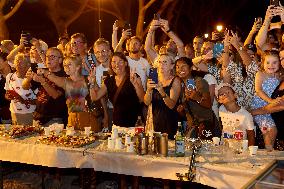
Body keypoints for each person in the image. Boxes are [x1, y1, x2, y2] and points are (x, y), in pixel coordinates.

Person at [38, 55, 102, 132]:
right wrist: (44, 71)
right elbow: (54, 78)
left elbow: (100, 97)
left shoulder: (88, 80)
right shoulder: (66, 81)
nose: (66, 67)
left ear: (78, 67)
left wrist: (92, 83)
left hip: (89, 118)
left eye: (69, 64)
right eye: (64, 65)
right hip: (72, 118)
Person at [90, 52, 145, 128]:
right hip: (117, 123)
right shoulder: (109, 80)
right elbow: (95, 97)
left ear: (125, 63)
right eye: (114, 62)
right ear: (111, 64)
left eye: (120, 61)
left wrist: (135, 85)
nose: (117, 65)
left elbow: (142, 99)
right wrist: (92, 83)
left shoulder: (134, 77)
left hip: (135, 122)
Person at [175, 57, 220, 139]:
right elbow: (188, 112)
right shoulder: (181, 86)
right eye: (177, 67)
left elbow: (209, 104)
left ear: (191, 68)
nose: (180, 69)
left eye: (183, 66)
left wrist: (197, 98)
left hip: (205, 126)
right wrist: (181, 110)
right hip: (193, 127)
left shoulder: (199, 82)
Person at [23, 47, 68, 127]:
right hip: (37, 117)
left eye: (53, 57)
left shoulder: (64, 75)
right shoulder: (42, 72)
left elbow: (56, 95)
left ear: (60, 60)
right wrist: (28, 79)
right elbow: (25, 87)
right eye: (47, 56)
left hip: (54, 120)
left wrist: (43, 82)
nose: (49, 59)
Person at [144, 54, 181, 139]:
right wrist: (149, 90)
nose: (161, 65)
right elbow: (146, 102)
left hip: (169, 121)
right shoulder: (153, 79)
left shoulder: (175, 81)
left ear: (172, 66)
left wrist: (161, 91)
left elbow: (171, 105)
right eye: (159, 62)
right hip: (155, 121)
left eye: (165, 62)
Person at [251, 50, 281, 151]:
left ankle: (269, 151)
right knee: (271, 130)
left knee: (271, 131)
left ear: (279, 63)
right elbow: (258, 90)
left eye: (274, 62)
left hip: (271, 109)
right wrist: (270, 101)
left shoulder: (279, 76)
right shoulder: (260, 74)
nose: (271, 65)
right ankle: (268, 152)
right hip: (259, 107)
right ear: (262, 63)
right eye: (267, 62)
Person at [5, 53, 36, 125]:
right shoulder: (10, 76)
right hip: (14, 112)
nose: (18, 63)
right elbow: (6, 94)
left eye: (21, 62)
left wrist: (24, 100)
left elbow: (40, 101)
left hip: (29, 113)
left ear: (28, 65)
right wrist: (8, 96)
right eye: (17, 61)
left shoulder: (33, 78)